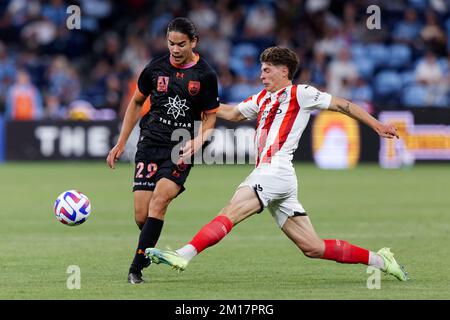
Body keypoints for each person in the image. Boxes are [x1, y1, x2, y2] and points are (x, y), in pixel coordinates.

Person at [146, 46, 409, 282]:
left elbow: (343, 105)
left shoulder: (301, 93)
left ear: (284, 71)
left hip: (275, 169)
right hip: (276, 175)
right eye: (261, 70)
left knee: (232, 209)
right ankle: (380, 260)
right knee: (312, 247)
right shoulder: (262, 98)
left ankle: (183, 254)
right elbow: (233, 112)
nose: (262, 75)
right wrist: (196, 102)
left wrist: (376, 125)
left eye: (266, 70)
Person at [106, 17, 219, 284]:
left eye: (181, 44)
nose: (176, 50)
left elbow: (211, 117)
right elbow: (135, 103)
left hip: (181, 148)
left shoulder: (205, 75)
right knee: (142, 215)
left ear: (194, 42)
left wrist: (199, 140)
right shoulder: (155, 68)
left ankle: (136, 268)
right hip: (149, 144)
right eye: (171, 43)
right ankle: (149, 242)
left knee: (160, 201)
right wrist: (122, 142)